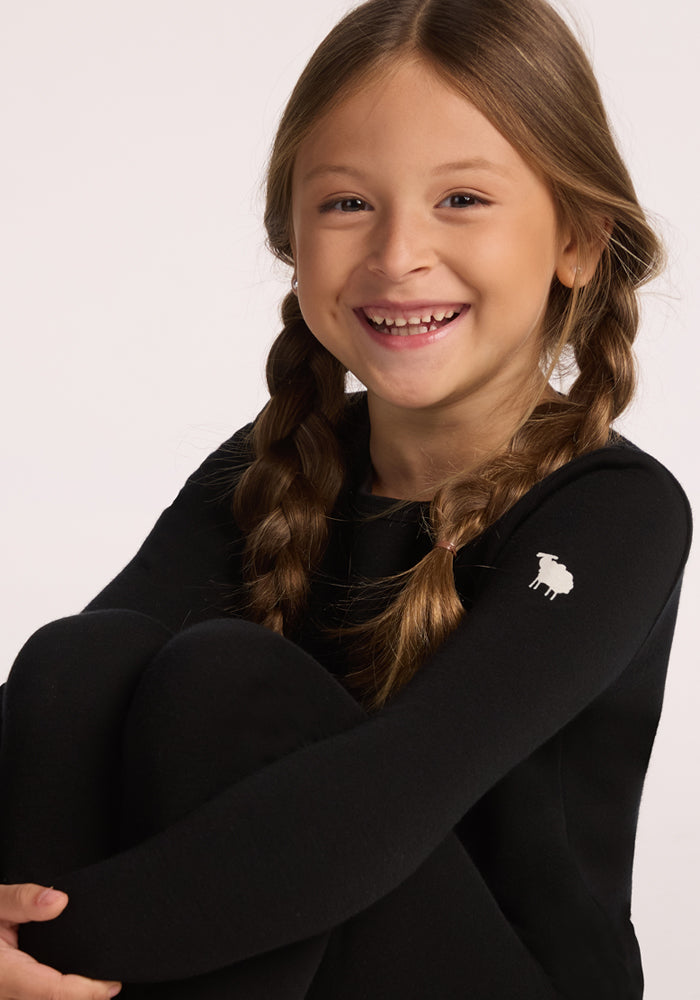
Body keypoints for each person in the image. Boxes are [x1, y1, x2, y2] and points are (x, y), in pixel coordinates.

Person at [0, 0, 692, 996]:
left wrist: (43, 949)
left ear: (577, 241)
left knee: (226, 684)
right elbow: (56, 715)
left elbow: (378, 802)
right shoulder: (274, 464)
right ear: (293, 238)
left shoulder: (615, 512)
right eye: (347, 204)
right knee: (77, 660)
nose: (397, 253)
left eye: (462, 198)